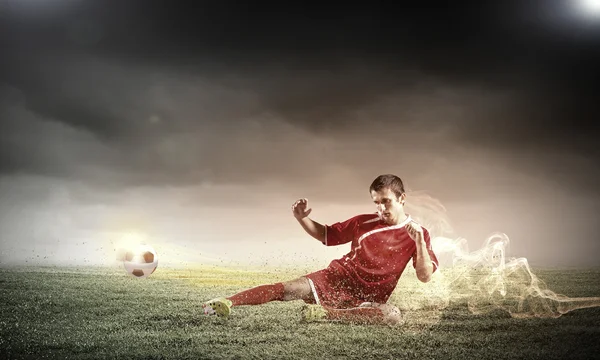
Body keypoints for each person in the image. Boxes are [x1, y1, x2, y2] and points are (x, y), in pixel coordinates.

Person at [202, 174, 439, 325]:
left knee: (392, 316)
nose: (380, 208)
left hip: (368, 298)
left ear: (402, 198)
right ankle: (227, 302)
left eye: (385, 201)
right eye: (376, 202)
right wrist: (301, 218)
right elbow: (326, 235)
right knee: (287, 288)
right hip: (337, 278)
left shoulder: (419, 233)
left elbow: (425, 276)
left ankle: (326, 314)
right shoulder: (362, 222)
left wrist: (418, 242)